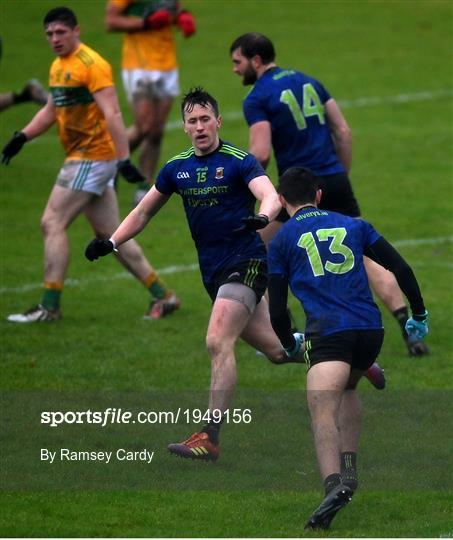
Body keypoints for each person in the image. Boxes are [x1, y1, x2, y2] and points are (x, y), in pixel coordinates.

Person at [85, 87, 304, 460]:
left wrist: (263, 217)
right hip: (214, 273)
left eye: (206, 119)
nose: (200, 126)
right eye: (192, 121)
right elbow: (143, 212)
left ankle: (210, 436)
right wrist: (112, 242)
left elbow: (269, 194)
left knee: (218, 340)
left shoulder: (240, 161)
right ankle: (348, 353)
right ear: (184, 127)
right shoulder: (177, 169)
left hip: (246, 263)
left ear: (218, 121)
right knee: (279, 351)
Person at [229, 32, 428, 360]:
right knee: (368, 252)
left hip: (296, 190)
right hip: (334, 181)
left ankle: (282, 332)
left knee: (254, 249)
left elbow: (261, 152)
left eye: (237, 62)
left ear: (255, 60)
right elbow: (343, 131)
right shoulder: (311, 82)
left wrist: (249, 185)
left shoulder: (257, 97)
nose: (235, 70)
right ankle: (406, 323)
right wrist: (340, 175)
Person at [267, 167, 429, 529]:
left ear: (281, 202)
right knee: (350, 386)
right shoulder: (354, 224)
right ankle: (350, 471)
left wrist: (288, 339)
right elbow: (400, 267)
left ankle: (332, 487)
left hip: (329, 333)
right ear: (319, 195)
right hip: (371, 332)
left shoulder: (281, 240)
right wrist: (417, 313)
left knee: (321, 408)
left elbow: (277, 308)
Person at [1, 6, 180, 323]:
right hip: (87, 155)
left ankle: (49, 306)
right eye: (49, 34)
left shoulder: (91, 64)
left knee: (51, 222)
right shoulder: (59, 66)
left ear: (76, 31)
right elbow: (52, 108)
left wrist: (123, 158)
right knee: (113, 234)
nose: (54, 39)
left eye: (60, 32)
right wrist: (23, 136)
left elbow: (112, 113)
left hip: (91, 155)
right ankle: (164, 296)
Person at [105, 0, 196, 205]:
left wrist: (182, 18)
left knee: (156, 131)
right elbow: (111, 21)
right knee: (144, 127)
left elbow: (172, 12)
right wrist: (145, 23)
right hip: (139, 63)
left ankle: (143, 186)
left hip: (166, 63)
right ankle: (108, 163)